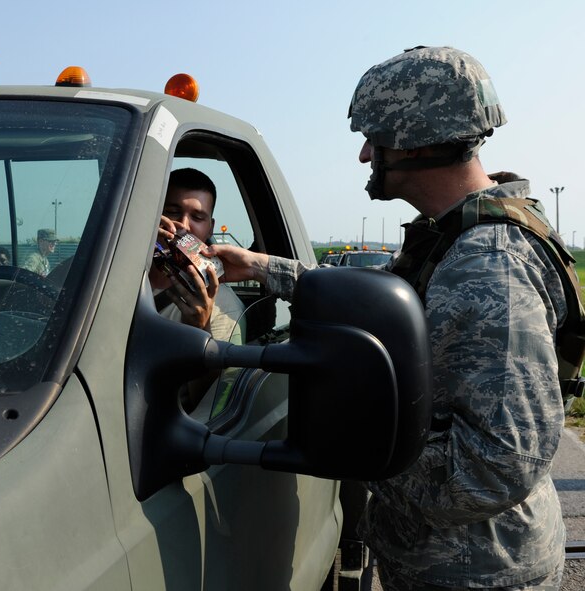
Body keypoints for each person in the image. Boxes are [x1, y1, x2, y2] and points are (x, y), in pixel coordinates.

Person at [209, 46, 580, 590]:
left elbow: (491, 472)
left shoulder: (488, 265)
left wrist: (341, 443)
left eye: (376, 139)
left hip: (478, 572)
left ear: (418, 142)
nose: (364, 155)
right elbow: (377, 295)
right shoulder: (454, 241)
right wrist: (262, 267)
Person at [152, 168, 245, 344]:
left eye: (197, 217)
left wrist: (200, 329)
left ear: (210, 228)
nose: (184, 226)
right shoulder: (117, 274)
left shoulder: (224, 307)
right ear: (156, 214)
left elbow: (218, 372)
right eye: (172, 211)